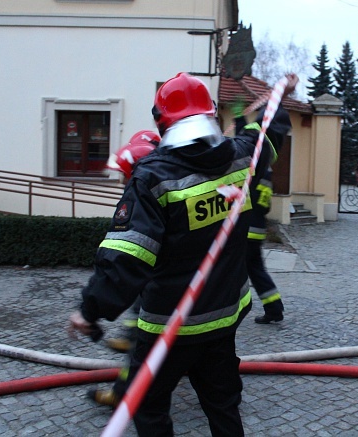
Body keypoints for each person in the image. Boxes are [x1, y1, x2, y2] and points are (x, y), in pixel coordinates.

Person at [68, 72, 298, 435]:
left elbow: (128, 255)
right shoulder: (241, 159)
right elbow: (269, 134)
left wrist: (89, 309)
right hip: (225, 316)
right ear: (208, 115)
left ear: (162, 123)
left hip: (169, 326)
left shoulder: (153, 178)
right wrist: (277, 100)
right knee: (223, 404)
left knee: (146, 404)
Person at [87, 129, 161, 408]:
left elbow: (124, 263)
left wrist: (89, 309)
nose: (121, 184)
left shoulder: (146, 200)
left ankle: (122, 394)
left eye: (124, 178)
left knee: (144, 349)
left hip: (168, 291)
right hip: (171, 287)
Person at [233, 105, 285, 324]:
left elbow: (242, 149)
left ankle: (234, 310)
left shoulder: (253, 162)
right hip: (257, 226)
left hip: (245, 225)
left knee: (237, 270)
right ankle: (274, 307)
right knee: (255, 269)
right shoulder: (266, 166)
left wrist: (239, 120)